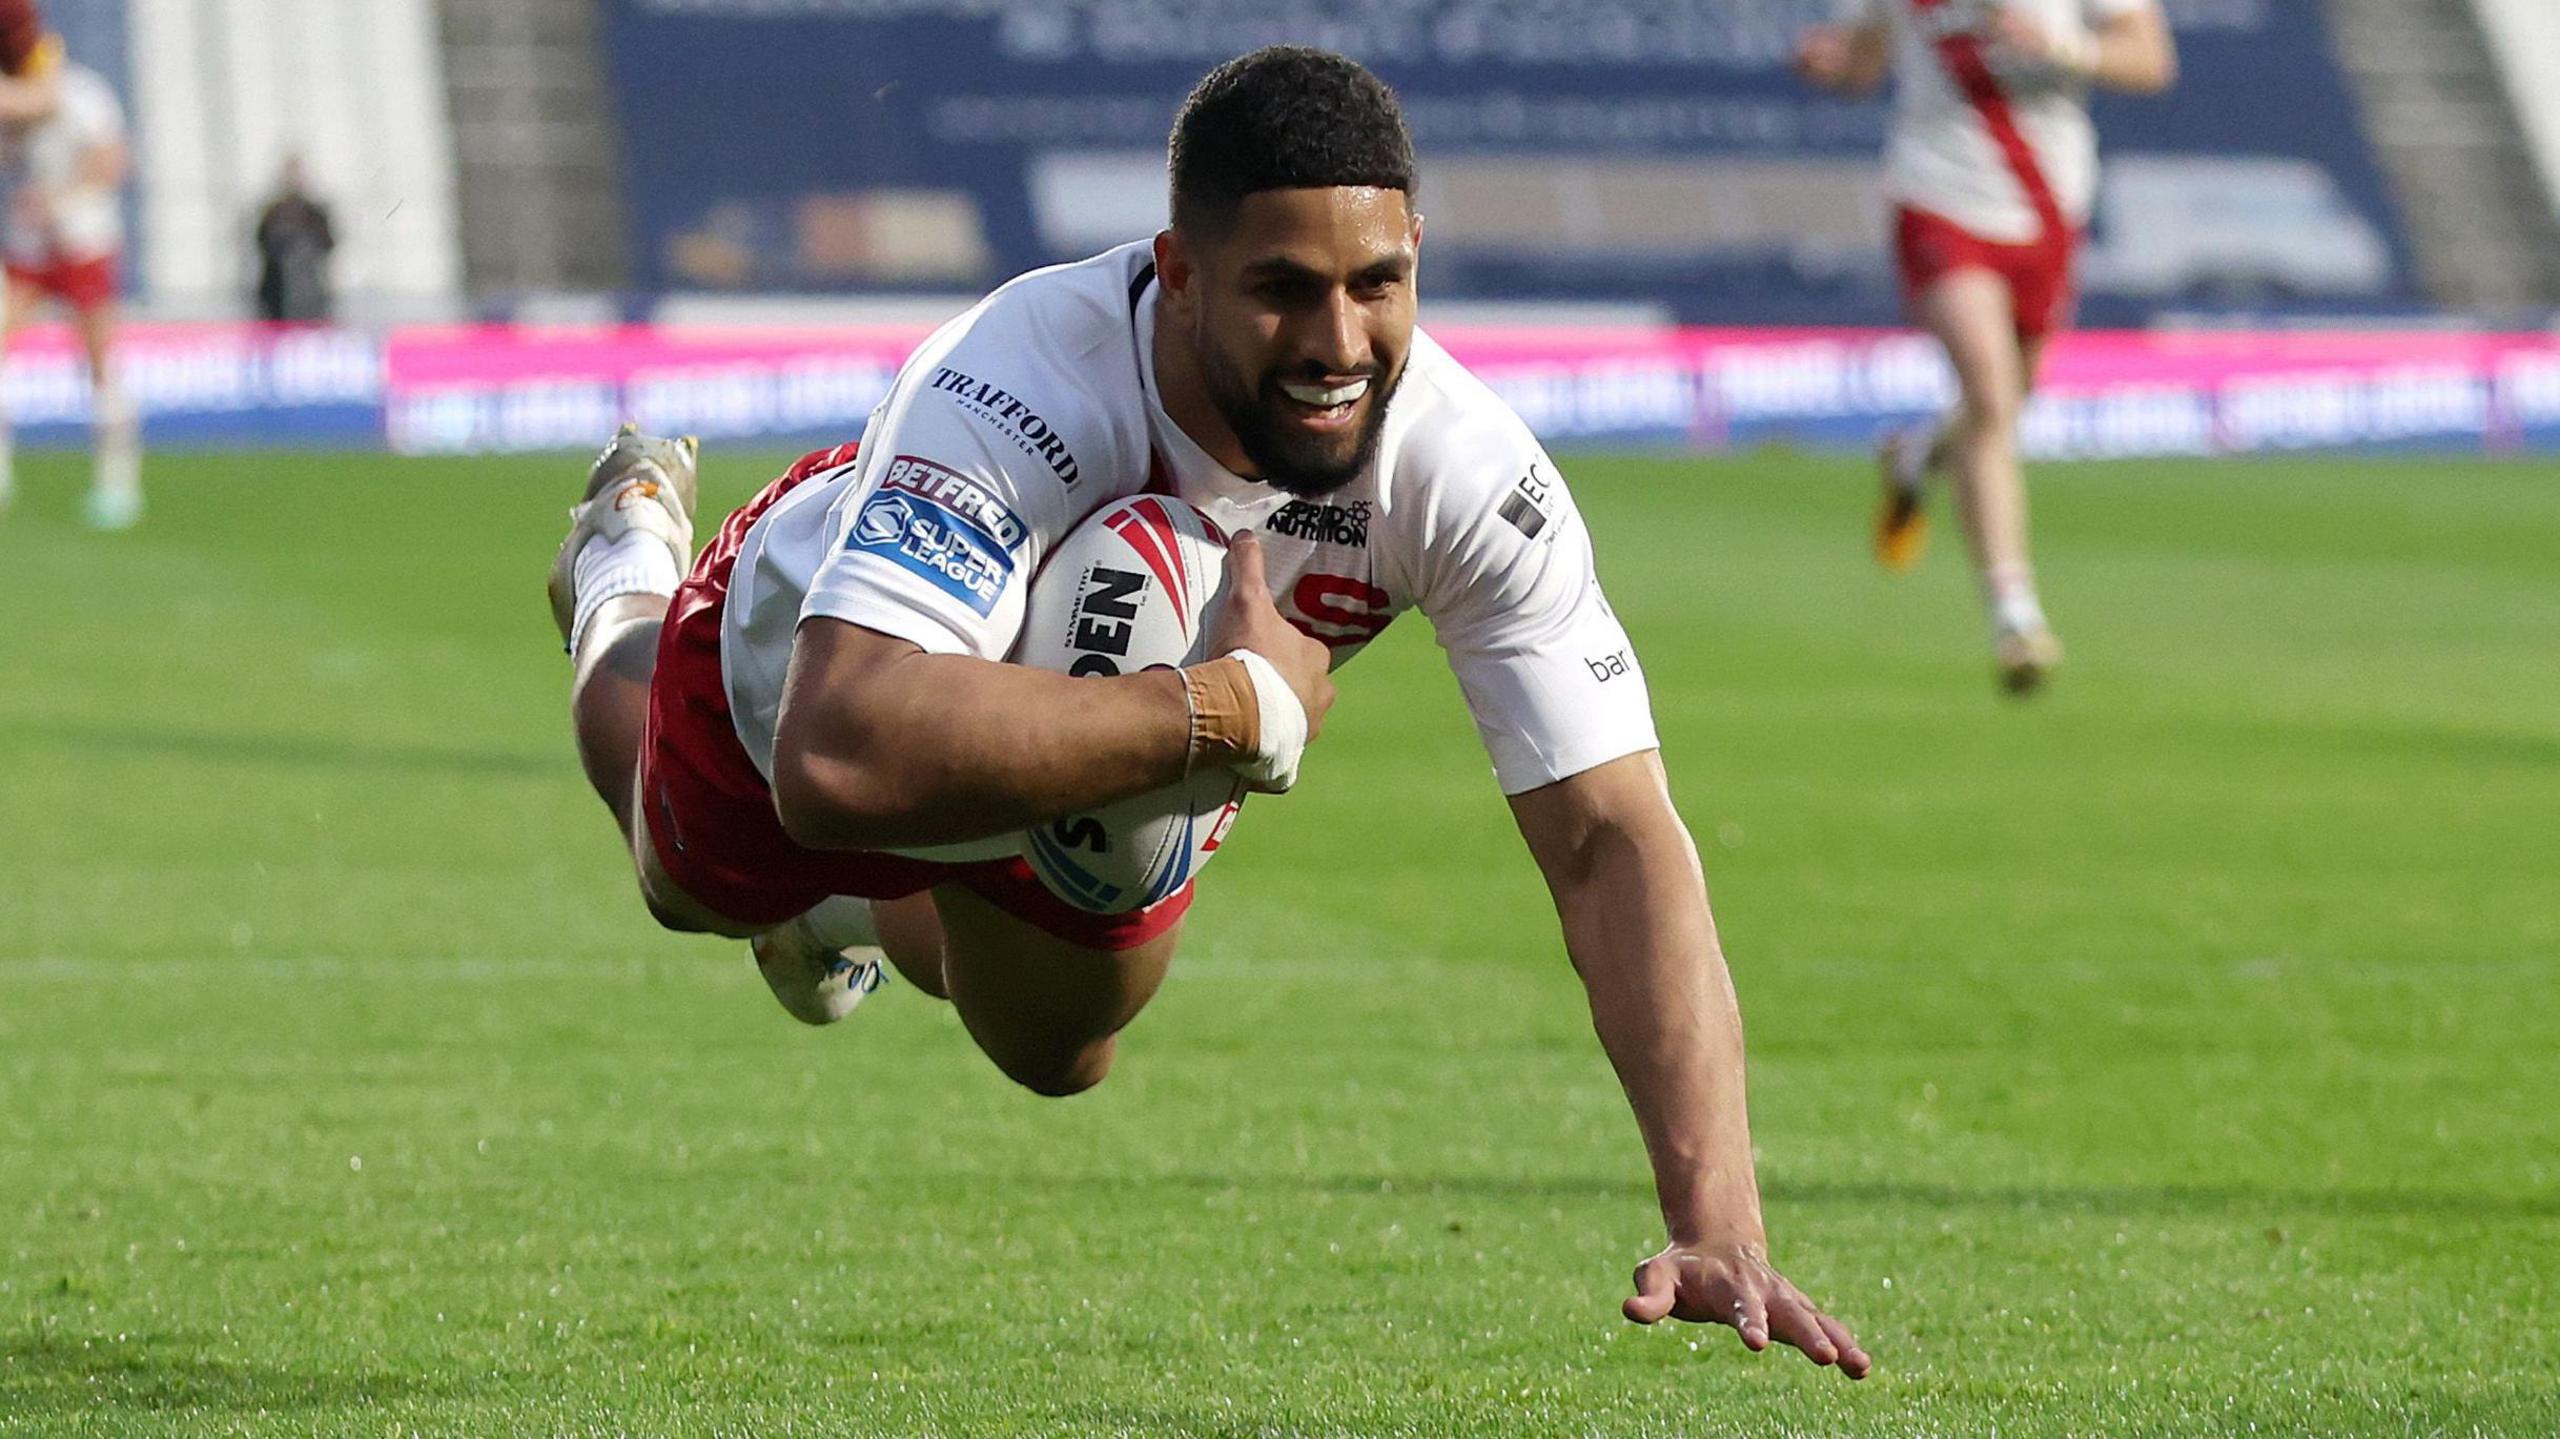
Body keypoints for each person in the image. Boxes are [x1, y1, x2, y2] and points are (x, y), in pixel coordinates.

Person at [548, 46, 1870, 1376]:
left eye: (1377, 284)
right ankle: (623, 564)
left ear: (1417, 249)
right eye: (1282, 291)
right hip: (826, 660)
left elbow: (1609, 835)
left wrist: (1719, 1218)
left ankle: (852, 908)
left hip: (1113, 727)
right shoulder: (1019, 380)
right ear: (1177, 272)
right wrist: (1225, 705)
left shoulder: (1461, 469)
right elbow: (835, 753)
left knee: (1061, 1053)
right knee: (683, 881)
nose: (1338, 343)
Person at [1796, 0, 2175, 693]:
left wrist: (2066, 51)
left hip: (2048, 205)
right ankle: (2015, 616)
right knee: (1992, 396)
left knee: (2005, 400)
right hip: (1938, 196)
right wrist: (1828, 64)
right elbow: (1862, 61)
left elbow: (2150, 61)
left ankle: (1916, 453)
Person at [0, 44, 136, 528]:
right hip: (31, 247)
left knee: (99, 364)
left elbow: (112, 164)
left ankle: (117, 481)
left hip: (85, 240)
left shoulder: (87, 97)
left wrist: (56, 199)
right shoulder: (16, 101)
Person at [253, 154, 335, 323]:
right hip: (276, 299)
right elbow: (262, 243)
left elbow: (328, 244)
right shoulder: (273, 212)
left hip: (312, 296)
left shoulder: (315, 213)